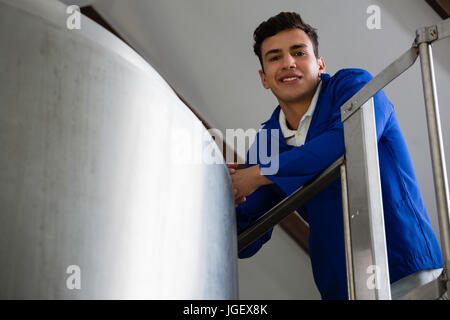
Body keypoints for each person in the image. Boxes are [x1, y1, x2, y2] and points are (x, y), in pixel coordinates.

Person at [228, 11, 443, 300]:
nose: (288, 62)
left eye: (298, 52)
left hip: (405, 269)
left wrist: (255, 175)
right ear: (264, 78)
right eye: (275, 57)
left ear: (319, 64)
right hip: (344, 290)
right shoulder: (268, 141)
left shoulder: (353, 85)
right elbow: (245, 238)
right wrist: (225, 194)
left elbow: (343, 142)